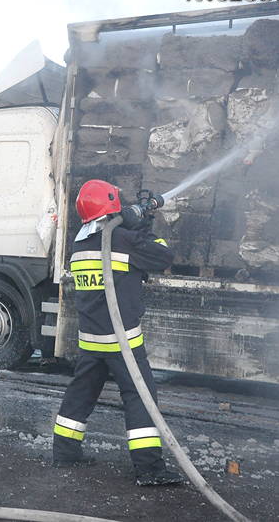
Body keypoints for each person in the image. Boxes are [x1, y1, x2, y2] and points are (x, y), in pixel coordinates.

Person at [52, 179, 184, 486]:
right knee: (140, 398)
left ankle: (64, 452)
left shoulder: (79, 244)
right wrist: (145, 227)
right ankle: (149, 469)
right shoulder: (122, 240)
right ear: (112, 208)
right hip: (122, 341)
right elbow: (163, 257)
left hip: (91, 341)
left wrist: (133, 225)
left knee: (80, 394)